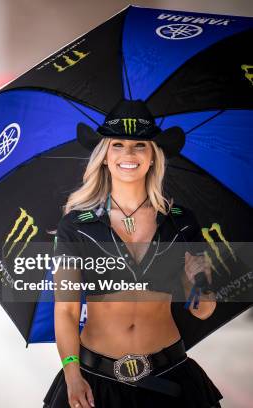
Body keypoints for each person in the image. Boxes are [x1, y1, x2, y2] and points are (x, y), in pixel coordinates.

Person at [42, 100, 222, 408]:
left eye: (140, 145)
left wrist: (203, 286)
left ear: (153, 157)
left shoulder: (181, 220)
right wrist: (72, 374)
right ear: (104, 157)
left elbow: (202, 309)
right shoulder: (77, 224)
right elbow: (67, 311)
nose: (128, 154)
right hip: (95, 380)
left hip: (171, 376)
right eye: (118, 145)